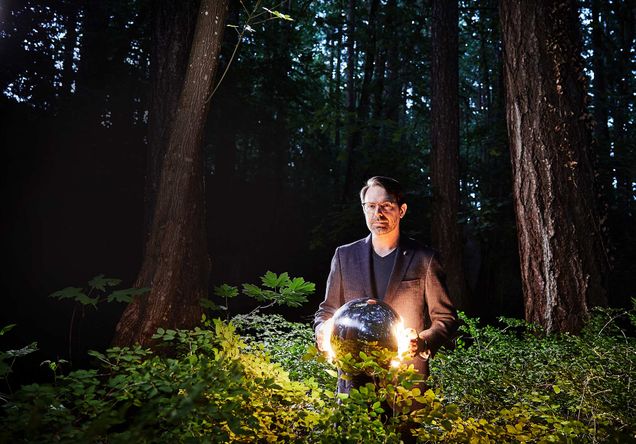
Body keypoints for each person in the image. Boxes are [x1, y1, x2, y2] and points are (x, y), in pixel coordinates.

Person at [314, 176, 459, 395]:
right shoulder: (344, 256)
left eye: (386, 206)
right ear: (364, 209)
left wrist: (421, 343)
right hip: (354, 382)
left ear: (401, 210)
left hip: (406, 383)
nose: (378, 213)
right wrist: (322, 330)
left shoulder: (424, 259)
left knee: (405, 431)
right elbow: (327, 311)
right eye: (371, 206)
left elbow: (446, 319)